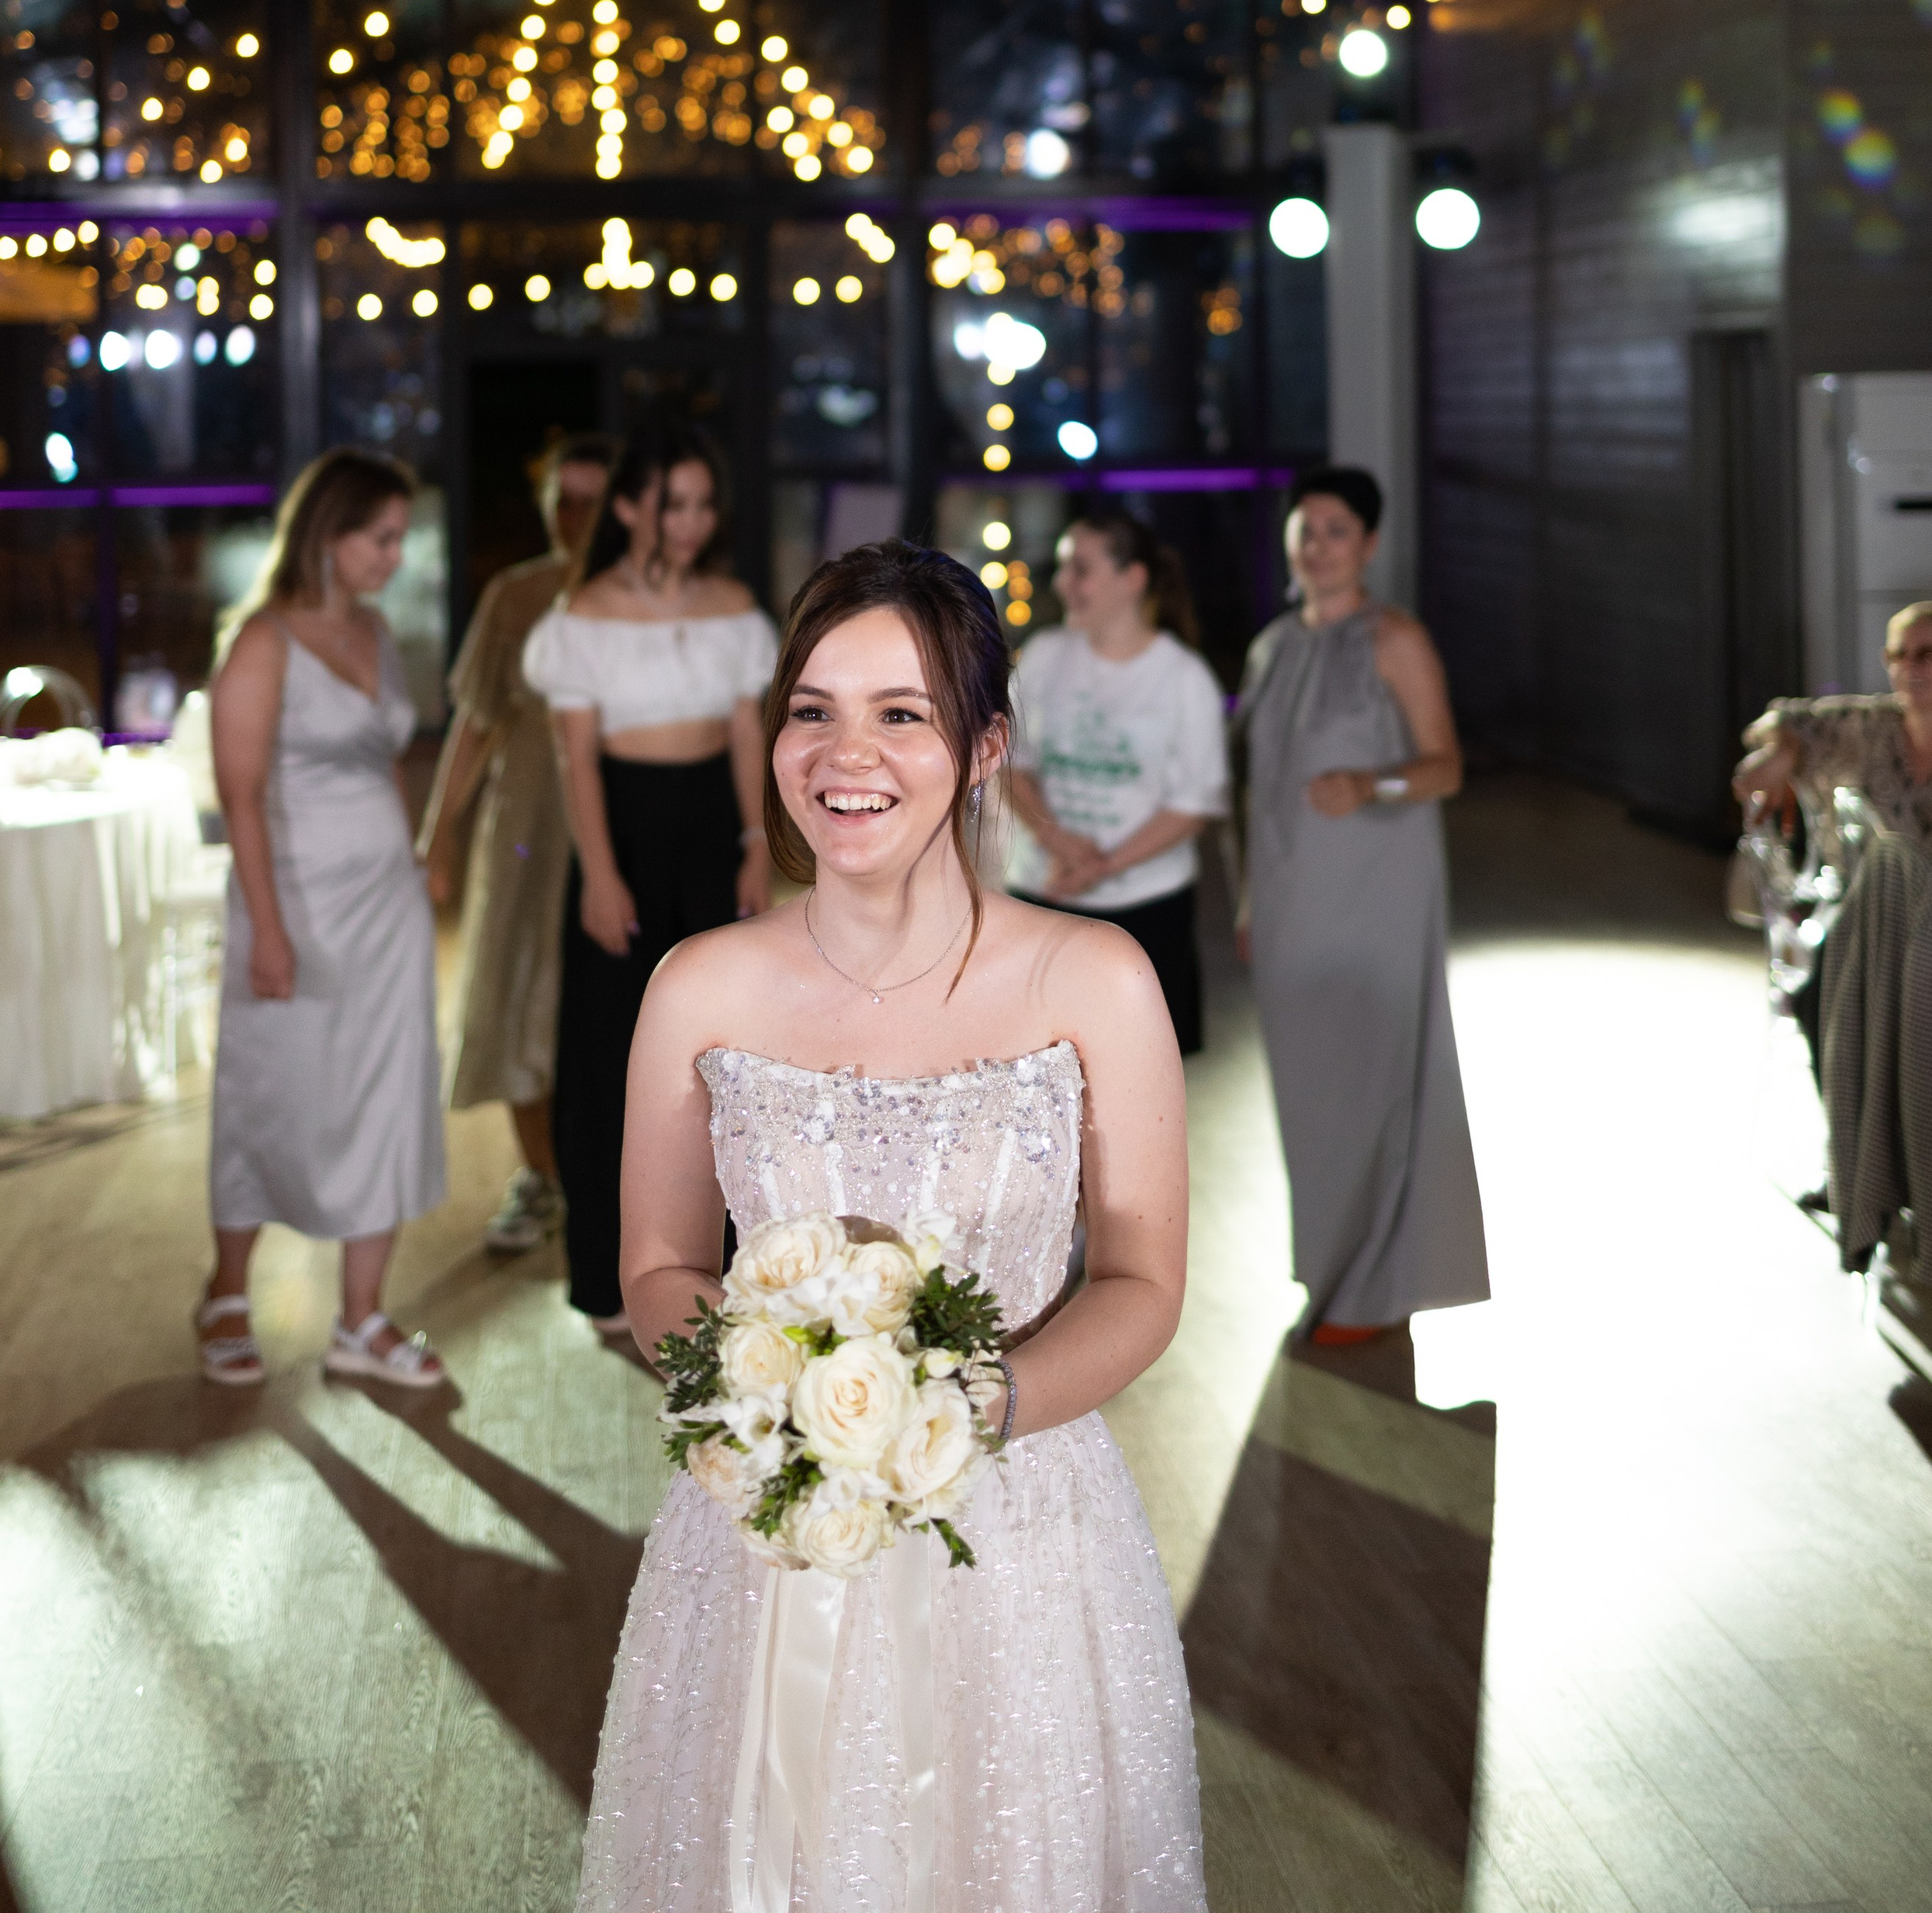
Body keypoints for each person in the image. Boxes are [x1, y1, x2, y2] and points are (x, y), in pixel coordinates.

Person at [573, 539, 1205, 1912]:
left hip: (1023, 1530)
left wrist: (967, 1406)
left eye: (900, 713)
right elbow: (660, 1266)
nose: (844, 754)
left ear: (983, 748)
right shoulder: (698, 987)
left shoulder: (1093, 978)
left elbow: (1147, 1281)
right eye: (813, 709)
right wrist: (772, 1390)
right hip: (765, 1535)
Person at [198, 448, 448, 1392]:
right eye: (380, 537)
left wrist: (416, 856)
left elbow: (383, 760)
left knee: (387, 1093)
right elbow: (241, 793)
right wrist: (268, 926)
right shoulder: (263, 641)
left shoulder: (378, 632)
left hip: (383, 907)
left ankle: (361, 1318)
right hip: (293, 906)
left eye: (399, 537)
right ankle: (227, 1289)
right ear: (328, 536)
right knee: (273, 1091)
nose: (396, 554)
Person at [524, 423, 778, 1340]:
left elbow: (750, 733)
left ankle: (737, 1271)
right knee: (607, 1060)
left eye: (705, 505)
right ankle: (605, 1276)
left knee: (731, 1056)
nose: (692, 522)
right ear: (631, 506)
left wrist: (757, 841)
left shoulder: (733, 605)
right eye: (675, 502)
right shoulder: (582, 615)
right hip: (622, 833)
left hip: (714, 830)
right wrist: (598, 873)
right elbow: (575, 761)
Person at [1236, 465, 1487, 1344]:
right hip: (1289, 895)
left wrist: (1370, 781)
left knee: (1378, 1079)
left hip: (1376, 889)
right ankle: (1332, 1268)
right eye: (1305, 527)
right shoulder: (1270, 647)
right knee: (1311, 1094)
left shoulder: (1395, 639)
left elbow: (1445, 764)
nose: (1317, 544)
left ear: (1369, 545)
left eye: (1337, 529)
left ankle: (1376, 1287)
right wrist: (1246, 898)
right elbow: (1259, 789)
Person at [418, 429, 615, 1252]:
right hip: (528, 834)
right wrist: (438, 832)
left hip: (617, 840)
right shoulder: (516, 595)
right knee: (514, 992)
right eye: (561, 501)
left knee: (603, 1010)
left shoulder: (655, 599)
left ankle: (613, 1180)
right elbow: (477, 720)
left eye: (591, 501)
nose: (574, 519)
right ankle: (538, 1176)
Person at [1006, 503, 1228, 1054]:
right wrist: (1059, 844)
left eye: (1080, 568)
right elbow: (1011, 762)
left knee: (1137, 1072)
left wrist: (1103, 867)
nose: (1063, 583)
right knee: (1034, 1073)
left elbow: (1192, 804)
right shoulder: (1044, 655)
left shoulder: (1182, 677)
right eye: (1063, 568)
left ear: (1133, 580)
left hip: (1145, 908)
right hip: (1043, 892)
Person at [1733, 599, 1932, 854]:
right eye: (1898, 655)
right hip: (1864, 892)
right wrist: (1782, 751)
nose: (1909, 668)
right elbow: (1780, 718)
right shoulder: (1869, 726)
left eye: (1926, 655)